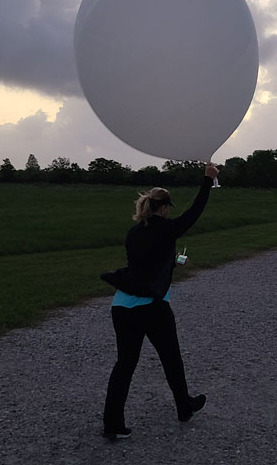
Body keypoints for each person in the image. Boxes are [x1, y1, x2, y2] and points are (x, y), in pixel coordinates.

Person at [100, 162, 220, 441]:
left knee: (125, 365)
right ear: (164, 208)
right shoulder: (166, 229)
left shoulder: (134, 232)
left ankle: (112, 423)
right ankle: (183, 406)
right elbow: (194, 213)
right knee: (171, 359)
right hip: (152, 307)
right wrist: (207, 182)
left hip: (122, 306)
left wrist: (172, 265)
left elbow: (144, 264)